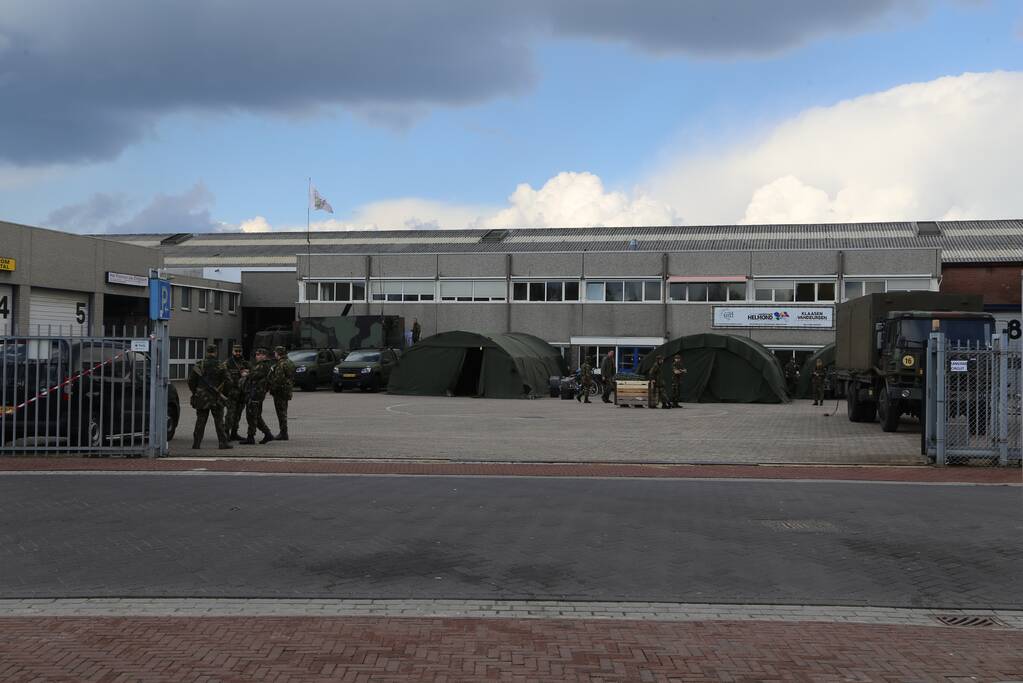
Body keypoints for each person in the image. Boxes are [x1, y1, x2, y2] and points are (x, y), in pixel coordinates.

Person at [187, 344, 232, 450]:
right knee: (219, 422)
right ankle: (222, 443)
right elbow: (229, 381)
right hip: (216, 398)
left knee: (201, 421)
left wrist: (196, 391)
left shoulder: (200, 364)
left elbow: (191, 381)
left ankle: (196, 444)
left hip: (202, 398)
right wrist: (224, 393)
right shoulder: (221, 365)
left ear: (206, 352)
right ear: (216, 352)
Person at [239, 347, 275, 445]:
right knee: (257, 416)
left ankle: (251, 437)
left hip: (255, 394)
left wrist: (246, 374)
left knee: (251, 415)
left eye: (260, 355)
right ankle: (268, 434)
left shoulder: (262, 366)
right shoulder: (266, 365)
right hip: (258, 393)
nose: (257, 356)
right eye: (257, 354)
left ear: (265, 356)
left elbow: (254, 376)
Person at [269, 345, 296, 441]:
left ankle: (283, 433)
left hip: (280, 391)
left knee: (281, 412)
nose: (274, 354)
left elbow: (278, 379)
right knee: (284, 411)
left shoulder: (280, 364)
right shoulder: (290, 362)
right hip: (287, 390)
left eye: (275, 352)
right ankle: (284, 432)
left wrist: (272, 387)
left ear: (278, 353)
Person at [224, 343, 249, 441]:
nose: (238, 353)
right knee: (230, 414)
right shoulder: (228, 363)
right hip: (231, 393)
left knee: (238, 414)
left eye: (239, 351)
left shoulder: (244, 362)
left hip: (242, 393)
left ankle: (234, 433)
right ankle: (226, 433)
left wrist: (247, 373)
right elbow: (222, 376)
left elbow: (252, 372)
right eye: (236, 351)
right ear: (232, 352)